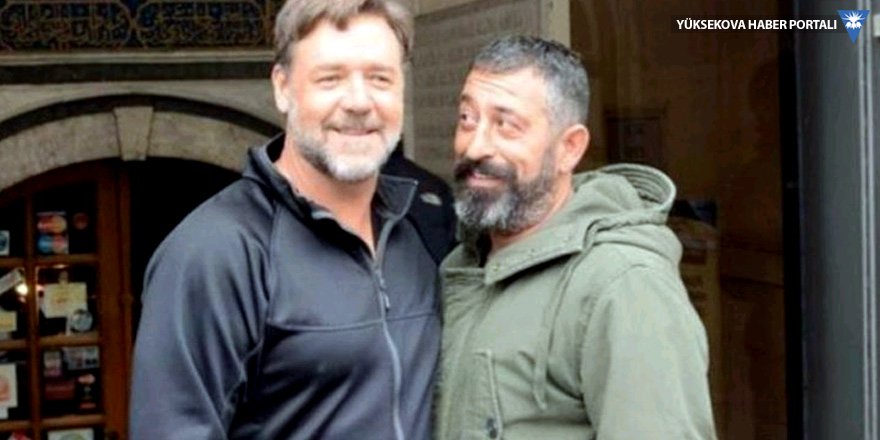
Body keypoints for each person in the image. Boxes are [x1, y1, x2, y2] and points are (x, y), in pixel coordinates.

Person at [129, 1, 447, 439]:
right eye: (330, 78)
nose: (359, 102)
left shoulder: (424, 228)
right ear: (282, 87)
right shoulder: (216, 252)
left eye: (380, 78)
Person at [436, 36, 717, 439]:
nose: (475, 146)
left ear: (569, 148)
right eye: (467, 119)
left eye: (506, 125)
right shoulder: (462, 264)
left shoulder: (624, 284)